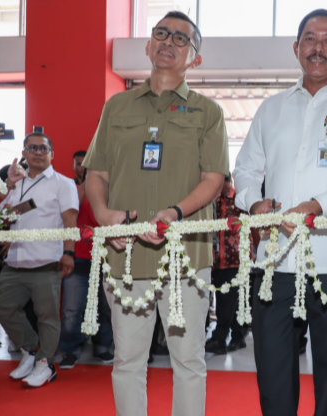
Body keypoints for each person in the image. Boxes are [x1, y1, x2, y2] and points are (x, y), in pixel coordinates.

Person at [233, 9, 327, 416]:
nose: (318, 47)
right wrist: (255, 202)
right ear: (296, 47)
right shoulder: (272, 108)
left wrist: (317, 206)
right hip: (276, 262)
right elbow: (246, 169)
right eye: (309, 38)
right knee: (273, 373)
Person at [83, 10, 228, 416]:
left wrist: (175, 212)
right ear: (148, 46)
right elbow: (97, 173)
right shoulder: (117, 107)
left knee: (188, 363)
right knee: (127, 361)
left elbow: (213, 178)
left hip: (186, 257)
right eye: (161, 33)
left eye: (181, 38)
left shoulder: (208, 112)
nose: (169, 41)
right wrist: (103, 214)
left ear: (195, 58)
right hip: (126, 257)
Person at [0, 127, 79, 388]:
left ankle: (45, 363)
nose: (38, 152)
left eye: (44, 148)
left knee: (47, 315)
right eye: (33, 148)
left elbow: (70, 221)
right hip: (15, 260)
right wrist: (8, 188)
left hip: (47, 261)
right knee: (1, 305)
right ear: (23, 153)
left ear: (52, 154)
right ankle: (30, 349)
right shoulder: (16, 183)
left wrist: (68, 253)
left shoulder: (63, 183)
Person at [58, 150, 114, 370]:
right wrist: (86, 183)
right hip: (78, 256)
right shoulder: (72, 188)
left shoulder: (108, 188)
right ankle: (70, 349)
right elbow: (71, 212)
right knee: (72, 308)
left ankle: (102, 346)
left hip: (104, 257)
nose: (83, 168)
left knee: (105, 306)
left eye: (88, 165)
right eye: (80, 164)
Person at [206, 173, 253, 354]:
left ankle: (220, 338)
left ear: (228, 182)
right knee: (230, 300)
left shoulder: (239, 200)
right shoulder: (214, 200)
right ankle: (238, 337)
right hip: (218, 259)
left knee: (228, 300)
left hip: (235, 259)